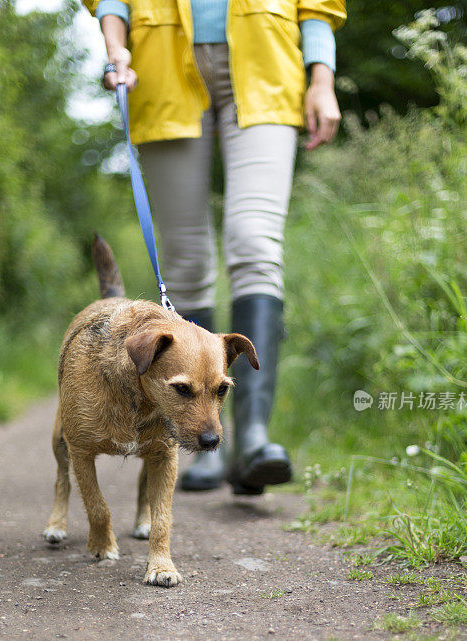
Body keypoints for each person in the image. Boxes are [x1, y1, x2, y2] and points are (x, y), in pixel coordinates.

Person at [83, 0, 346, 497]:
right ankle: (199, 439)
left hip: (267, 61)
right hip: (160, 66)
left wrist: (322, 80)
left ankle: (251, 437)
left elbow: (319, 5)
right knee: (184, 258)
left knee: (255, 243)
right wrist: (116, 48)